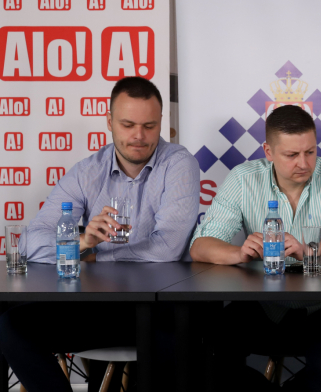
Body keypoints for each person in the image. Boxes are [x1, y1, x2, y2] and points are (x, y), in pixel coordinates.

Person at [0, 76, 201, 391]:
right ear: (109, 122)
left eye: (149, 126)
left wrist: (97, 256)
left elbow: (167, 247)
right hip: (102, 304)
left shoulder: (179, 163)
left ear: (162, 122)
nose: (139, 136)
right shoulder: (87, 172)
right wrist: (81, 242)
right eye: (128, 124)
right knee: (11, 324)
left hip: (160, 305)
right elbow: (29, 242)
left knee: (175, 336)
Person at [190, 104, 321, 392]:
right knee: (208, 357)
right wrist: (239, 253)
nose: (304, 163)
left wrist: (310, 251)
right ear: (268, 152)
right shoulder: (243, 178)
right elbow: (200, 246)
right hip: (263, 304)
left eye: (310, 152)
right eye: (291, 155)